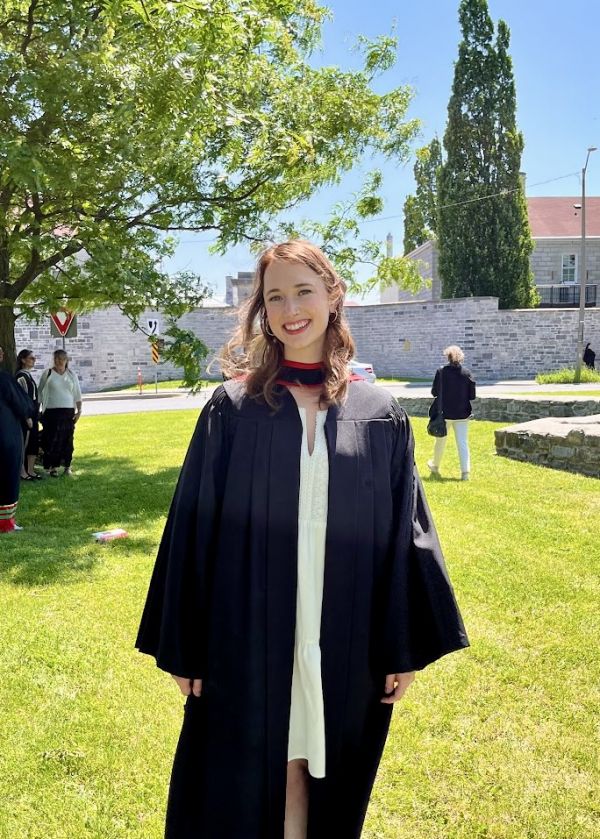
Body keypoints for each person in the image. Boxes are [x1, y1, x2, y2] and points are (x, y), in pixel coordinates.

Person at [136, 241, 469, 839]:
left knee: (326, 773)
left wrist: (402, 645)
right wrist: (184, 643)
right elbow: (193, 526)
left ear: (333, 296)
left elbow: (404, 532)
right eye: (275, 297)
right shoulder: (234, 409)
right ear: (261, 311)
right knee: (252, 776)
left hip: (344, 635)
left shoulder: (378, 412)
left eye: (303, 291)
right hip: (250, 633)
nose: (291, 308)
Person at [427, 345, 477, 481]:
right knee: (463, 442)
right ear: (461, 357)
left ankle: (435, 466)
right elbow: (472, 396)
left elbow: (434, 392)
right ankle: (465, 473)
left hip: (444, 414)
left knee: (440, 441)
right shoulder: (467, 373)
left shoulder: (441, 372)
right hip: (463, 413)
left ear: (447, 357)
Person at [0, 345, 34, 532]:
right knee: (7, 476)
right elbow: (24, 404)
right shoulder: (4, 379)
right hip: (5, 436)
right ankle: (5, 523)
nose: (2, 354)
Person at [38, 349, 82, 476]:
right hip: (51, 412)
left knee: (67, 440)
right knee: (52, 440)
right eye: (56, 358)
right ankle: (53, 467)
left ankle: (67, 466)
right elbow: (40, 392)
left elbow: (77, 394)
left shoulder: (71, 375)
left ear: (66, 360)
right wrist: (37, 410)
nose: (59, 361)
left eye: (62, 358)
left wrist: (79, 411)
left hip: (68, 412)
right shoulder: (48, 373)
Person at [15, 349, 43, 480]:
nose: (34, 360)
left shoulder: (28, 376)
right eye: (31, 358)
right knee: (24, 444)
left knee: (33, 444)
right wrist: (27, 417)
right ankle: (22, 472)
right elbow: (21, 399)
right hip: (26, 417)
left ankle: (30, 470)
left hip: (34, 415)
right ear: (23, 360)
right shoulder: (20, 377)